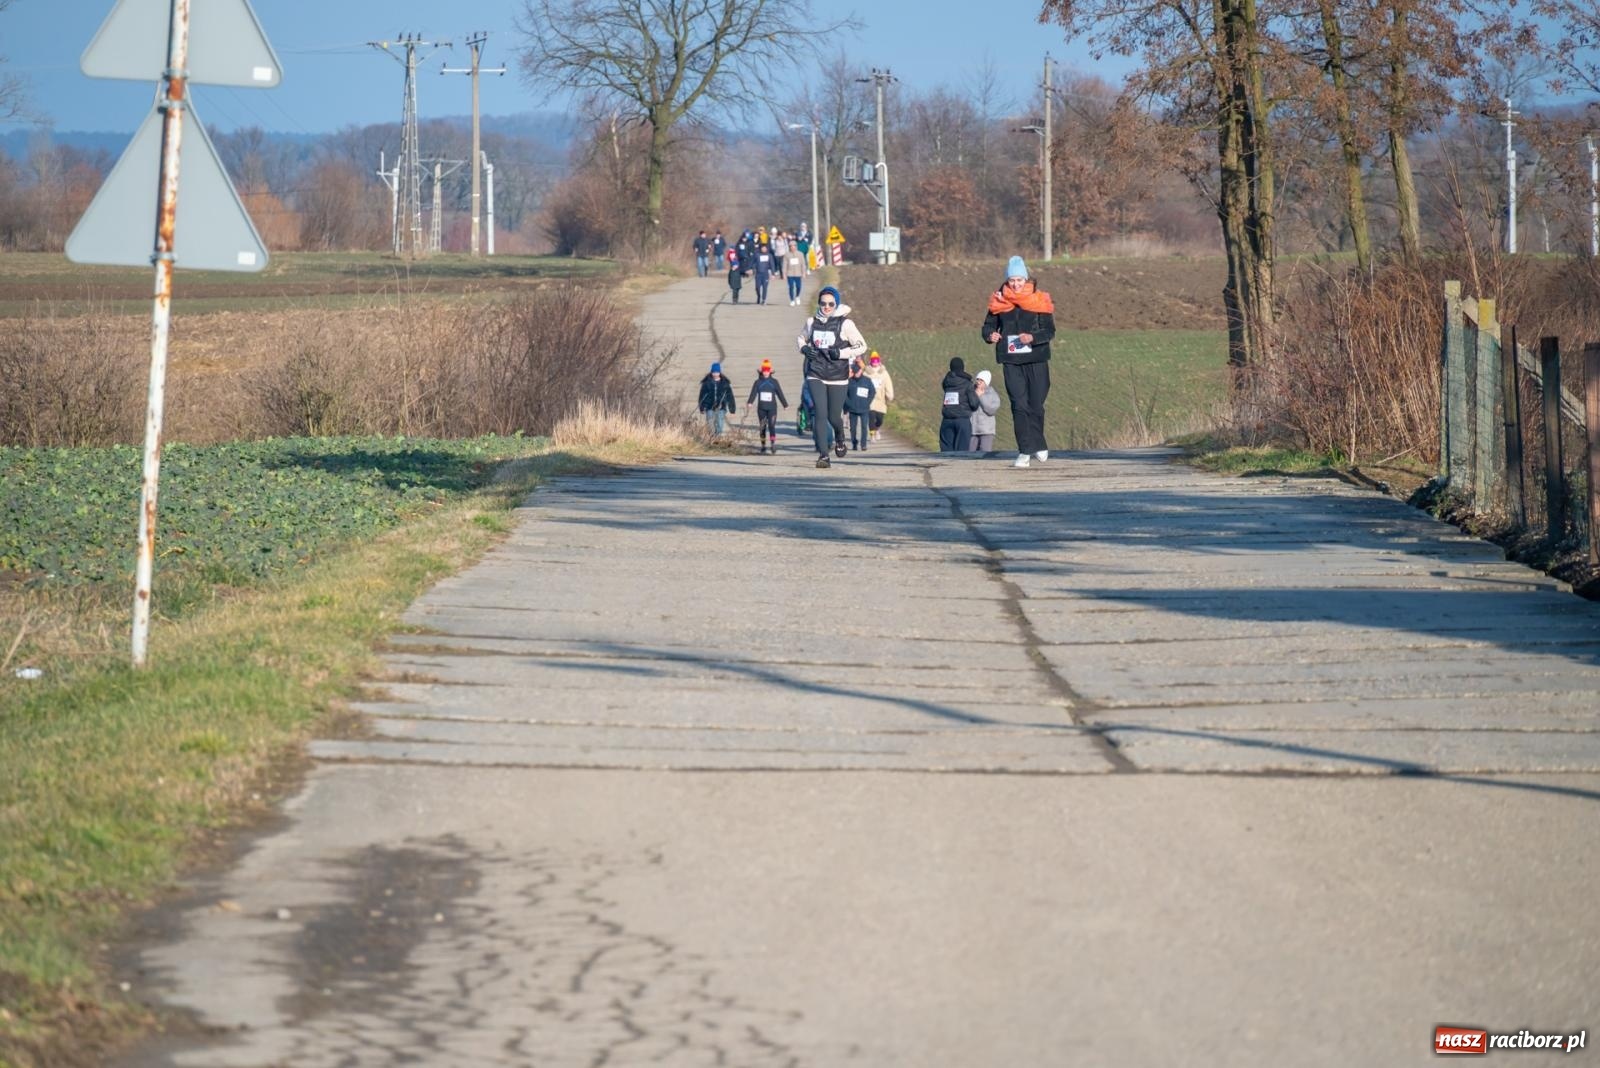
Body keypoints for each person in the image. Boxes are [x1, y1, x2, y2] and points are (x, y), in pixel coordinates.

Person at [982, 255, 1056, 468]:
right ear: (1007, 280)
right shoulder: (999, 301)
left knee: (1036, 405)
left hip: (1036, 359)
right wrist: (990, 336)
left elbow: (1049, 331)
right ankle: (1024, 451)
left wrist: (1033, 337)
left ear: (1026, 279)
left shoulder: (1039, 300)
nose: (1015, 284)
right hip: (1011, 361)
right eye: (1012, 280)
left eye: (1019, 280)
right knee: (1019, 405)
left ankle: (1038, 442)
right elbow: (987, 326)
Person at [797, 285, 868, 468]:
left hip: (838, 376)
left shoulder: (846, 324)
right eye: (823, 303)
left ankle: (840, 437)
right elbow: (801, 338)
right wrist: (804, 348)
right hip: (816, 373)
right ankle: (823, 456)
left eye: (830, 303)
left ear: (836, 303)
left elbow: (861, 346)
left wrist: (842, 353)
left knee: (834, 416)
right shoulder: (811, 322)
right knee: (820, 413)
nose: (826, 307)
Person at [747, 359, 789, 454]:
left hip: (772, 409)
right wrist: (750, 402)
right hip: (761, 408)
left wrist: (785, 404)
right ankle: (763, 445)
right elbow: (753, 393)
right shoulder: (757, 382)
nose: (766, 373)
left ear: (770, 371)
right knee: (762, 427)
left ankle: (773, 444)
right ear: (762, 371)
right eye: (764, 371)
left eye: (767, 371)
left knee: (772, 426)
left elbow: (780, 393)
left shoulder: (774, 382)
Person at [939, 357, 978, 453]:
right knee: (961, 454)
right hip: (962, 421)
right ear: (962, 368)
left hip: (946, 420)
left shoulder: (946, 382)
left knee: (946, 453)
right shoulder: (967, 384)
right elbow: (974, 404)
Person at [844, 359, 877, 451]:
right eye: (855, 372)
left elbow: (872, 392)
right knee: (853, 429)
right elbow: (844, 394)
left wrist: (868, 402)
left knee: (864, 427)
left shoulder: (867, 381)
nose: (856, 373)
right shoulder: (849, 381)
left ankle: (863, 445)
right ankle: (854, 443)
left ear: (861, 371)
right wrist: (848, 403)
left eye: (858, 371)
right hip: (853, 409)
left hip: (864, 408)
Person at [699, 362, 735, 435]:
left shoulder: (725, 383)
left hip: (721, 408)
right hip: (709, 407)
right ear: (711, 372)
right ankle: (712, 438)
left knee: (719, 424)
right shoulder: (706, 383)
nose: (715, 374)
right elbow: (702, 396)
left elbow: (730, 397)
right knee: (710, 424)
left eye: (717, 372)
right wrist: (701, 407)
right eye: (714, 372)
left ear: (719, 372)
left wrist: (732, 410)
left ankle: (717, 438)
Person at [864, 351, 893, 441]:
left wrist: (890, 395)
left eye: (876, 361)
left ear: (879, 362)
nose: (875, 363)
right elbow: (863, 385)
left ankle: (877, 429)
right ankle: (872, 434)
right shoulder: (867, 372)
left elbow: (888, 384)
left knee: (879, 419)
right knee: (871, 418)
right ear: (871, 362)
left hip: (881, 400)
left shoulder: (884, 373)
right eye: (873, 361)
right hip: (870, 400)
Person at [970, 369, 1001, 453]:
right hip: (972, 430)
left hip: (986, 431)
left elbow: (991, 410)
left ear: (986, 382)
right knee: (969, 454)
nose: (978, 382)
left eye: (981, 380)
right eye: (978, 379)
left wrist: (981, 396)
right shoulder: (971, 392)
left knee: (985, 454)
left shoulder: (992, 394)